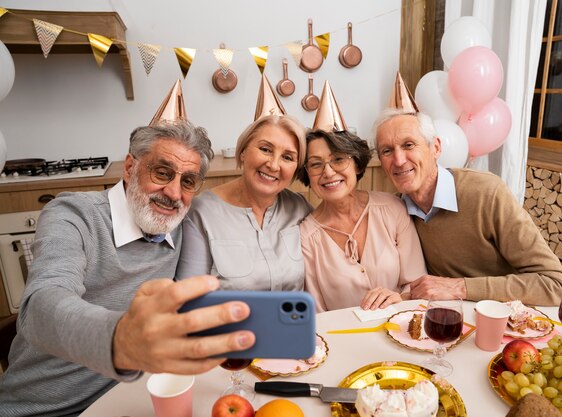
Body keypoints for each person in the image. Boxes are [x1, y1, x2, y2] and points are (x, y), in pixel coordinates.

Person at [0, 82, 256, 417]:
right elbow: (41, 306)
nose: (173, 193)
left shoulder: (183, 225)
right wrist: (122, 339)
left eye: (188, 181)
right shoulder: (73, 214)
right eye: (162, 172)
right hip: (45, 408)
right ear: (130, 167)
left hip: (134, 399)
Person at [374, 108, 562, 306]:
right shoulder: (396, 212)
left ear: (436, 148)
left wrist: (459, 287)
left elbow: (555, 284)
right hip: (446, 321)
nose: (398, 160)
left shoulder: (487, 192)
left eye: (409, 145)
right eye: (387, 151)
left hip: (508, 321)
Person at [298, 81, 427, 312]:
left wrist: (400, 298)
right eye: (316, 164)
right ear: (307, 174)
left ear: (357, 164)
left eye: (338, 159)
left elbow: (418, 285)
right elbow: (316, 315)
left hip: (400, 330)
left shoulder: (393, 209)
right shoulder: (306, 237)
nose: (328, 172)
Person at [175, 75, 312, 290]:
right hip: (231, 323)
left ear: (296, 168)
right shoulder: (201, 213)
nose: (273, 165)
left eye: (287, 157)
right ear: (243, 152)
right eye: (265, 149)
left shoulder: (300, 208)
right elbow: (189, 295)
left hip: (296, 322)